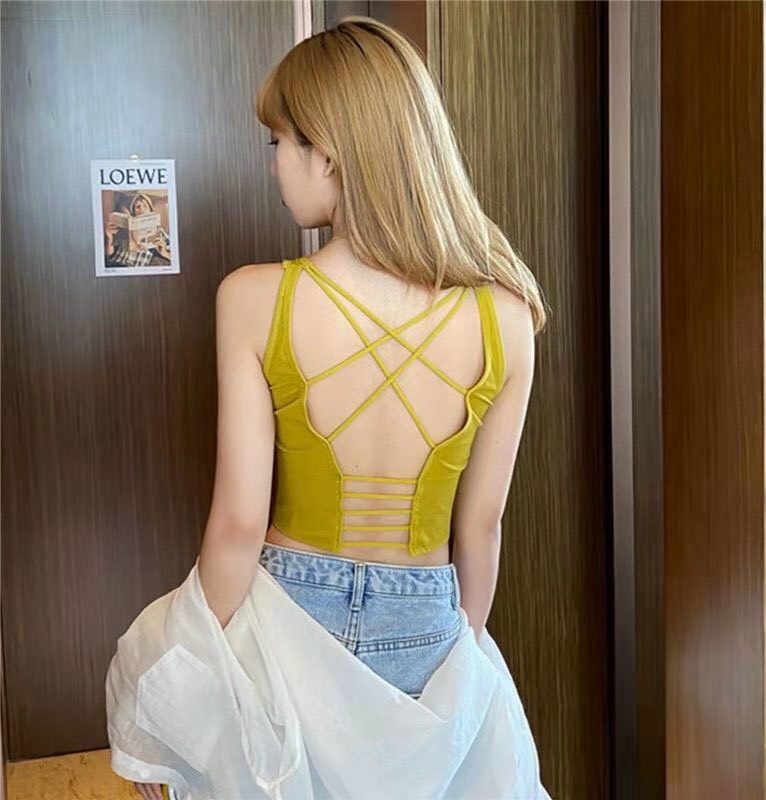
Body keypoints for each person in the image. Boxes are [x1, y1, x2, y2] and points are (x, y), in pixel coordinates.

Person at [112, 14, 551, 800]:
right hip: (428, 615)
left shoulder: (253, 299)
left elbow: (238, 526)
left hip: (289, 611)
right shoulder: (506, 317)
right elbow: (481, 527)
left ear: (331, 155)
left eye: (279, 141)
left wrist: (179, 697)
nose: (273, 163)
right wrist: (462, 663)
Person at [104, 192, 171, 267]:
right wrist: (109, 238)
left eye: (145, 206)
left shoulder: (159, 232)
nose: (142, 209)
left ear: (150, 210)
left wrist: (165, 253)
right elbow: (111, 255)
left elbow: (176, 257)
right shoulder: (125, 230)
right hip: (120, 265)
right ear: (134, 213)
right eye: (138, 207)